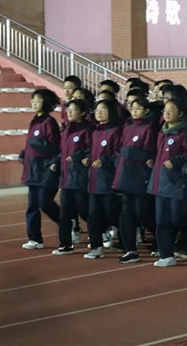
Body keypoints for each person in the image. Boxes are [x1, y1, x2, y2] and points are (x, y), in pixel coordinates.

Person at [147, 99, 187, 267]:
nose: (166, 113)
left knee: (178, 218)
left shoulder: (183, 132)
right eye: (165, 110)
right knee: (161, 221)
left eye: (171, 110)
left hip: (176, 183)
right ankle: (166, 255)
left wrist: (176, 161)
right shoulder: (162, 131)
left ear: (180, 113)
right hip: (160, 182)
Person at [112, 96, 158, 264]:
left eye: (139, 108)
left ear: (146, 110)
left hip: (141, 175)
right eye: (132, 108)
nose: (135, 111)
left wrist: (130, 153)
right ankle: (130, 250)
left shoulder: (149, 128)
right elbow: (119, 147)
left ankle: (161, 239)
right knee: (126, 214)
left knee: (142, 212)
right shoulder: (127, 126)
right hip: (125, 175)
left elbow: (150, 153)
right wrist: (121, 156)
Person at [19, 89, 61, 250]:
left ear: (46, 102)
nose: (33, 103)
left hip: (45, 170)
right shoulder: (35, 121)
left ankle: (67, 222)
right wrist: (24, 153)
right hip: (33, 170)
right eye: (33, 100)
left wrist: (52, 161)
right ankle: (35, 238)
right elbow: (32, 143)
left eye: (37, 100)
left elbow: (54, 147)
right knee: (32, 206)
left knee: (45, 203)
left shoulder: (49, 122)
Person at [83, 99, 123, 259]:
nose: (98, 112)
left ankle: (126, 240)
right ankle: (96, 247)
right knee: (93, 216)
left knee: (111, 214)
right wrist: (88, 158)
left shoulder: (115, 131)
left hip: (109, 181)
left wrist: (104, 161)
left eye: (103, 109)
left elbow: (118, 155)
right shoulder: (95, 132)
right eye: (97, 110)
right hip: (94, 181)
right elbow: (91, 151)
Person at [51, 99, 92, 255]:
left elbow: (91, 150)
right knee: (65, 214)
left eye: (73, 110)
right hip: (66, 178)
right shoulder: (66, 129)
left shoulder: (87, 130)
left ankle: (101, 231)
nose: (69, 112)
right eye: (68, 109)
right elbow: (63, 151)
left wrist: (79, 157)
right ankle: (65, 244)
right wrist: (56, 162)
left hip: (81, 178)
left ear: (82, 113)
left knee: (84, 211)